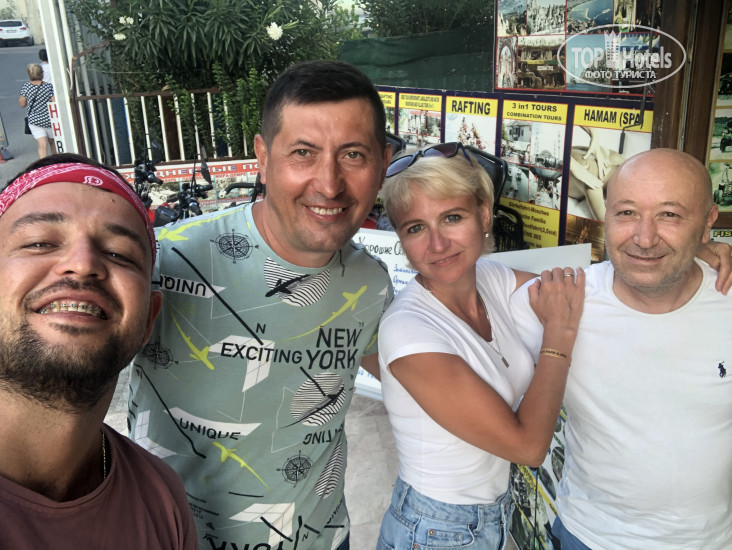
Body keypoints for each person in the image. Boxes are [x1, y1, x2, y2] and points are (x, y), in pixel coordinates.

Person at [127, 60, 393, 549]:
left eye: (353, 154)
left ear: (383, 162)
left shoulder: (372, 285)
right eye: (303, 153)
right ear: (263, 157)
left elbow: (413, 379)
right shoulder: (166, 260)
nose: (329, 184)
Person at [510, 148, 732, 549]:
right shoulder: (562, 301)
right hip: (589, 537)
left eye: (670, 215)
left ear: (707, 223)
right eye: (627, 213)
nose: (644, 238)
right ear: (607, 216)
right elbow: (456, 280)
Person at [375, 142, 585, 549]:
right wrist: (558, 336)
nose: (438, 244)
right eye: (415, 228)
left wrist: (686, 259)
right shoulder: (407, 329)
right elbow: (528, 448)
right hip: (436, 530)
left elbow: (579, 288)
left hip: (483, 517)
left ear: (484, 215)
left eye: (452, 217)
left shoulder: (490, 276)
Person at [0, 153, 197, 548]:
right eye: (39, 243)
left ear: (148, 320)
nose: (83, 263)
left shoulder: (161, 499)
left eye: (119, 254)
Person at [19, 63, 56, 159]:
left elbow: (22, 104)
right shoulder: (49, 87)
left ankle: (43, 164)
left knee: (42, 145)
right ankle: (54, 162)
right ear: (41, 74)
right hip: (49, 120)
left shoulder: (26, 86)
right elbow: (54, 101)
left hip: (35, 121)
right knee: (53, 142)